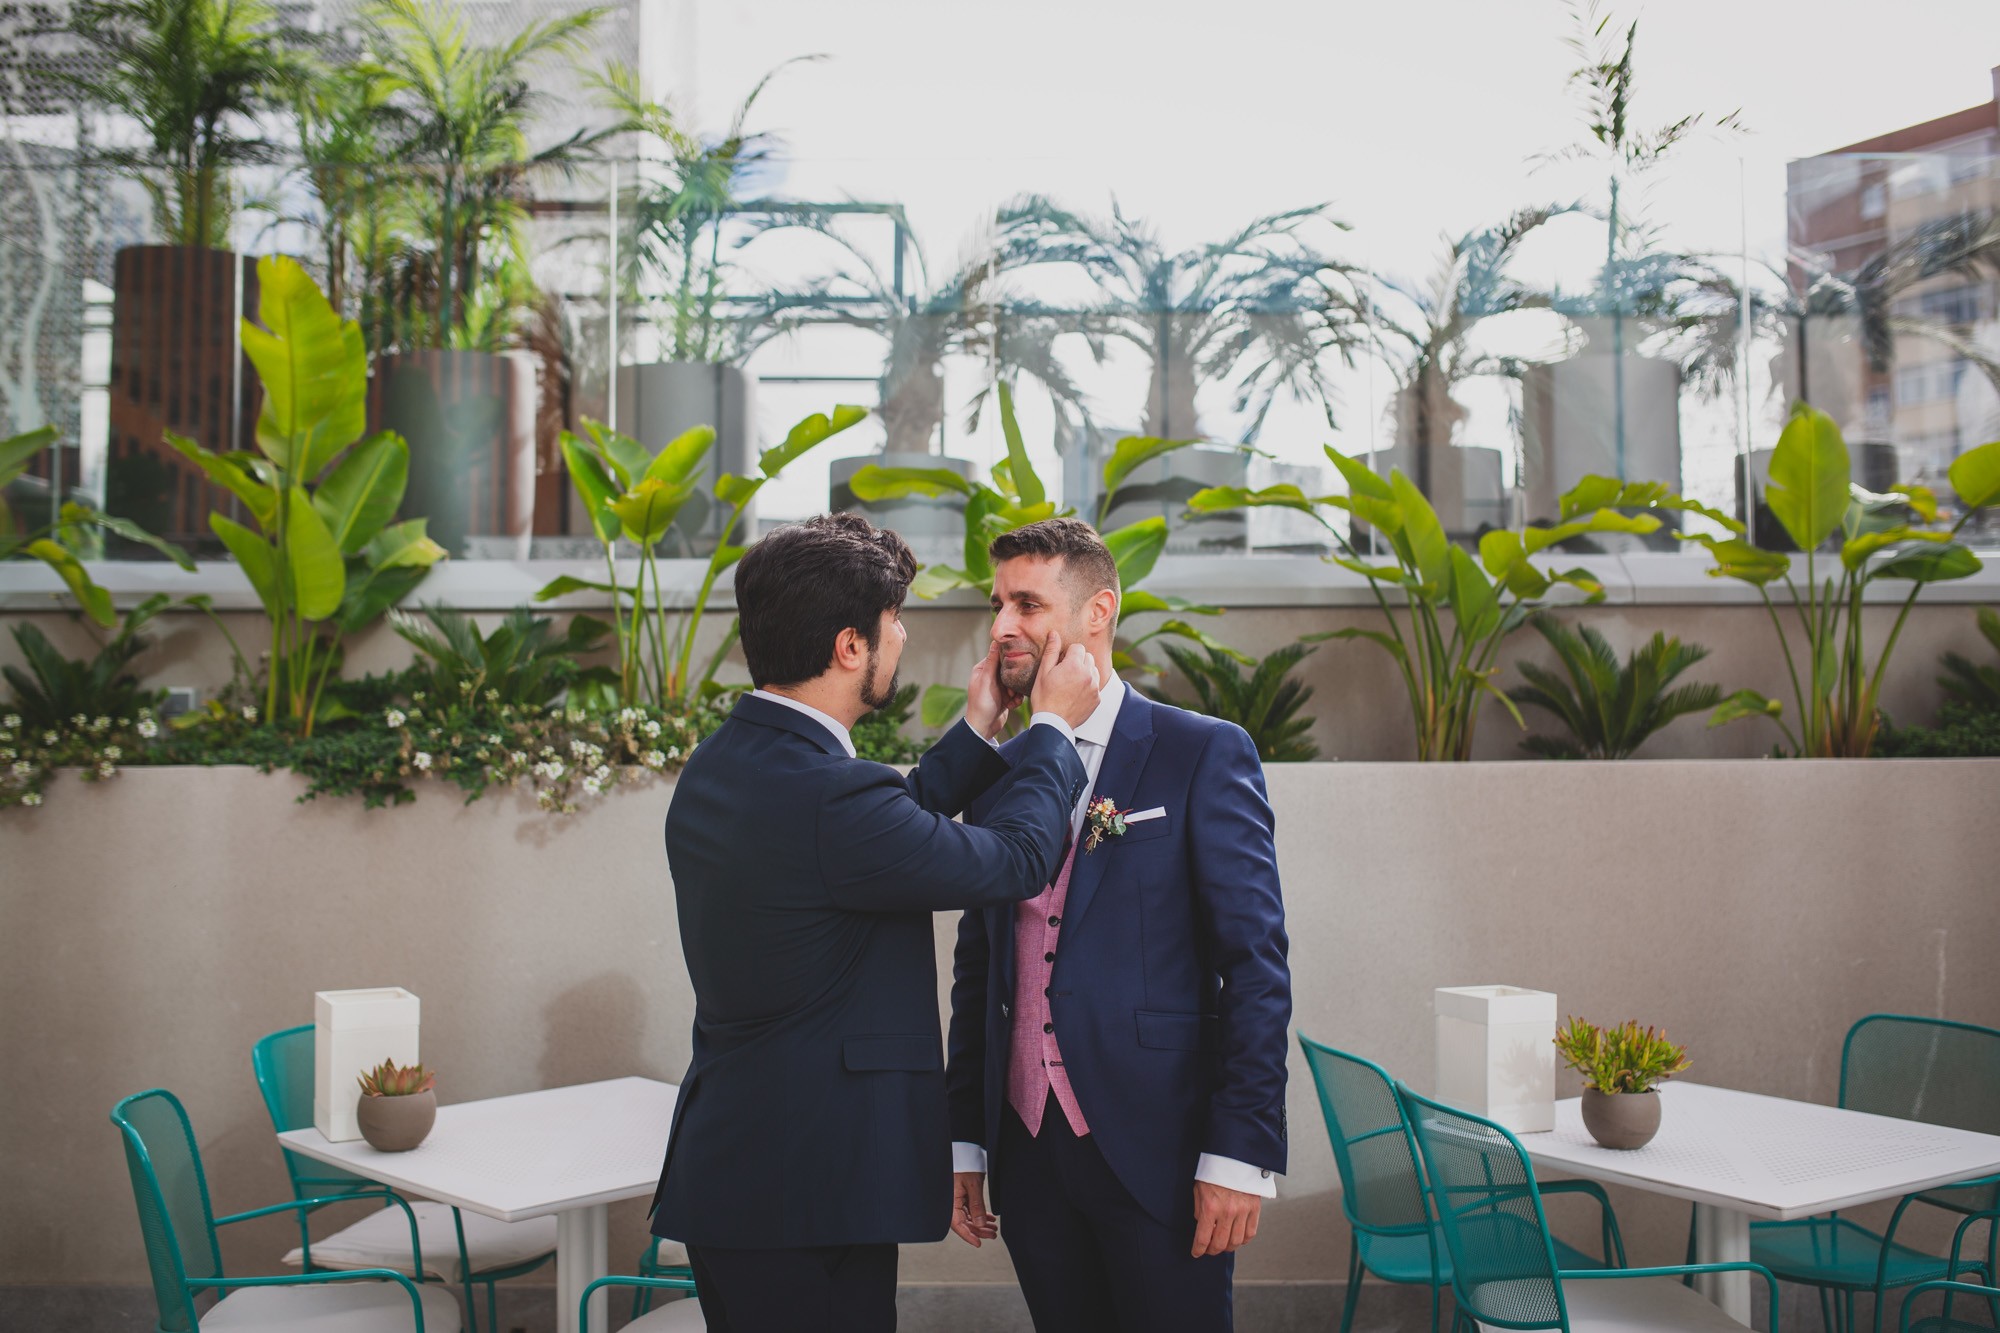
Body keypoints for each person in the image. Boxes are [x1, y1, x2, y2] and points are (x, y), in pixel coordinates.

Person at [649, 512, 1104, 1333]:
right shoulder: (830, 797)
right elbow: (1013, 859)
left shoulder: (729, 762)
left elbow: (882, 833)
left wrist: (978, 730)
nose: (902, 637)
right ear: (850, 645)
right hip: (807, 1193)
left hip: (746, 1175)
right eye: (894, 620)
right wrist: (1054, 729)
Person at [945, 517, 1292, 1333]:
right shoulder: (997, 775)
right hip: (1028, 1148)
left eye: (1028, 604)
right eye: (998, 605)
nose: (1002, 626)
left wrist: (1240, 1151)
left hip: (1160, 1147)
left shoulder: (1200, 751)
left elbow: (1255, 964)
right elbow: (978, 967)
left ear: (1098, 610)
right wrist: (965, 1138)